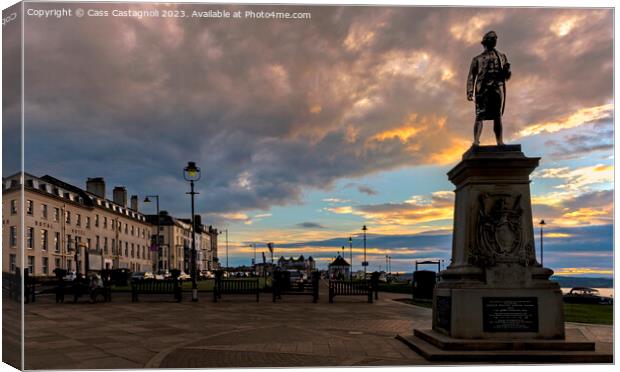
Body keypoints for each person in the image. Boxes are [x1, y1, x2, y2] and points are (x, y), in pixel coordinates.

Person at [467, 31, 511, 146]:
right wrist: (470, 91)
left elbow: (505, 77)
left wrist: (506, 71)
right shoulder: (477, 59)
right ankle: (476, 141)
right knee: (479, 115)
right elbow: (472, 75)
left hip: (497, 88)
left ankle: (500, 141)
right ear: (486, 42)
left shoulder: (502, 57)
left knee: (497, 116)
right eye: (492, 38)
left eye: (496, 38)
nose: (495, 40)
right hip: (482, 90)